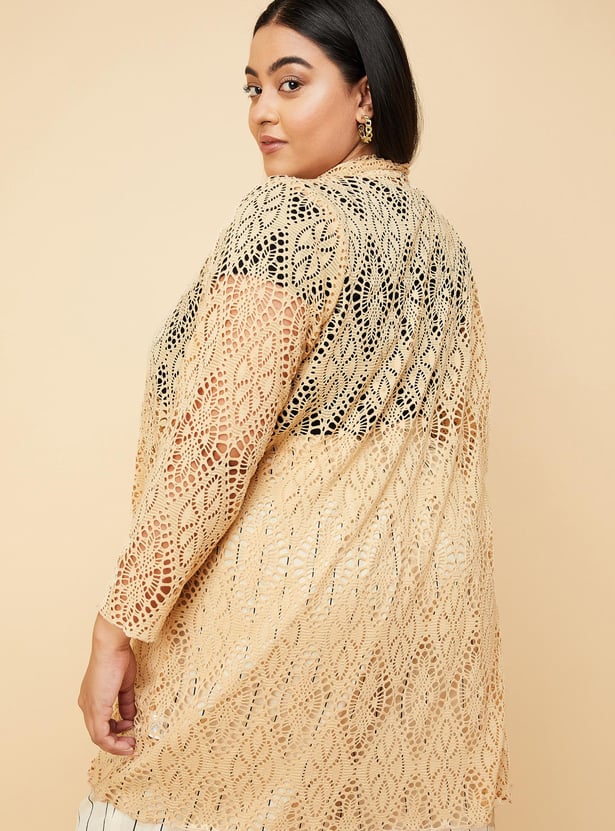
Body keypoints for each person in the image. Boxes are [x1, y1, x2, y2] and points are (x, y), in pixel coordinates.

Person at [77, 1, 510, 829]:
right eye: (252, 88)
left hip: (273, 615)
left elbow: (215, 447)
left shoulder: (290, 219)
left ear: (364, 95)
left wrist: (116, 627)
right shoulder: (442, 247)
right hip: (413, 626)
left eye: (290, 83)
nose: (262, 113)